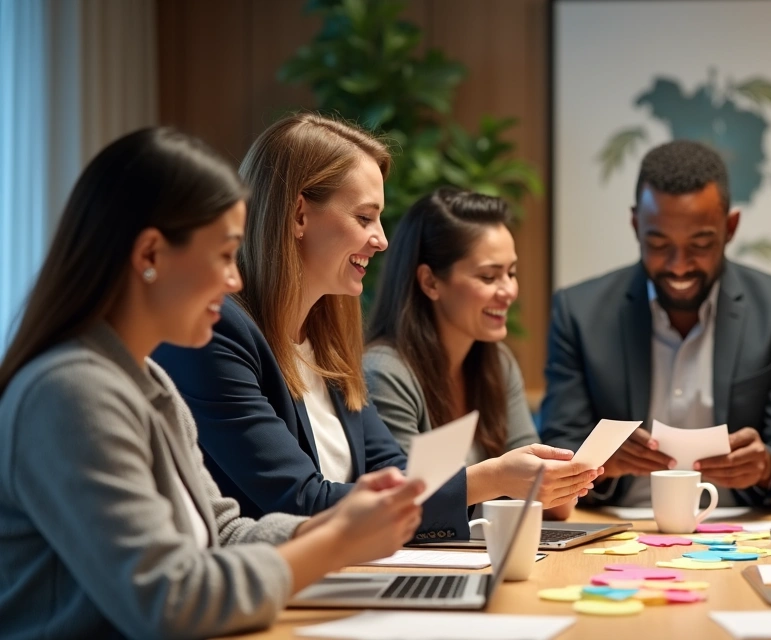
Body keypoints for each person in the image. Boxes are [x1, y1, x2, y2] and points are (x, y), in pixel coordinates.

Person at [0, 128, 425, 638]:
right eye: (224, 255)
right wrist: (334, 544)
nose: (235, 281)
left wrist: (336, 525)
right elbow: (168, 600)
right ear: (151, 255)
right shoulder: (70, 393)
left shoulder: (146, 381)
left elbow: (221, 532)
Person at [154, 114, 507, 541]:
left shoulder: (329, 337)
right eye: (364, 218)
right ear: (299, 214)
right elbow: (300, 501)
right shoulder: (217, 332)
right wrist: (489, 479)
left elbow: (394, 476)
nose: (382, 240)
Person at [541, 139, 771, 507]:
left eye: (700, 244)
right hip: (613, 525)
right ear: (635, 225)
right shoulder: (579, 312)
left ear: (730, 227)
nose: (678, 265)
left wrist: (766, 466)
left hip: (742, 528)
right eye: (658, 244)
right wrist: (601, 463)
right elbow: (559, 447)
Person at [365, 188, 600, 520]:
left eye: (512, 273)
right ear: (430, 282)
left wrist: (561, 483)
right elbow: (403, 506)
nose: (509, 292)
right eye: (489, 276)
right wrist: (501, 479)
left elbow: (551, 506)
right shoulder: (384, 372)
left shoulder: (497, 363)